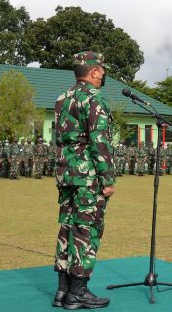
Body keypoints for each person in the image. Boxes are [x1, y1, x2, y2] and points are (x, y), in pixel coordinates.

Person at [52, 51, 115, 309]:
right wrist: (107, 177)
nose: (104, 75)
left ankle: (62, 291)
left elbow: (59, 139)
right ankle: (78, 293)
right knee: (86, 230)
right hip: (88, 176)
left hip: (67, 174)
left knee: (67, 228)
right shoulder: (93, 98)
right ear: (95, 71)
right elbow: (99, 141)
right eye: (102, 70)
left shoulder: (62, 99)